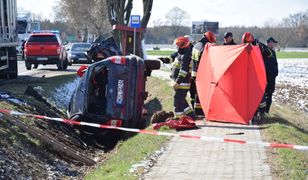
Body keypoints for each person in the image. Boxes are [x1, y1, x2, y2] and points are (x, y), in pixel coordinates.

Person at [160, 36, 195, 119]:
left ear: (182, 45)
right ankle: (191, 116)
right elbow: (172, 58)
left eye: (178, 45)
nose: (177, 47)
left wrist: (178, 82)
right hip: (180, 83)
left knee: (178, 100)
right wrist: (163, 59)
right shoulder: (181, 53)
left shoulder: (185, 56)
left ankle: (178, 118)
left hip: (182, 83)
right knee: (182, 100)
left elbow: (183, 71)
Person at [191, 31, 216, 119]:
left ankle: (196, 111)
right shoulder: (203, 48)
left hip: (194, 73)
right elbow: (203, 63)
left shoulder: (196, 45)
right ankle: (200, 113)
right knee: (201, 94)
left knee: (196, 93)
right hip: (200, 74)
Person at [262, 37, 279, 113]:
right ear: (269, 43)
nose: (273, 44)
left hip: (272, 78)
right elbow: (260, 45)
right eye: (272, 43)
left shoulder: (273, 51)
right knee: (265, 95)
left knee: (270, 94)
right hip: (267, 78)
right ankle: (263, 111)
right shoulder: (265, 50)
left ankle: (267, 111)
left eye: (274, 43)